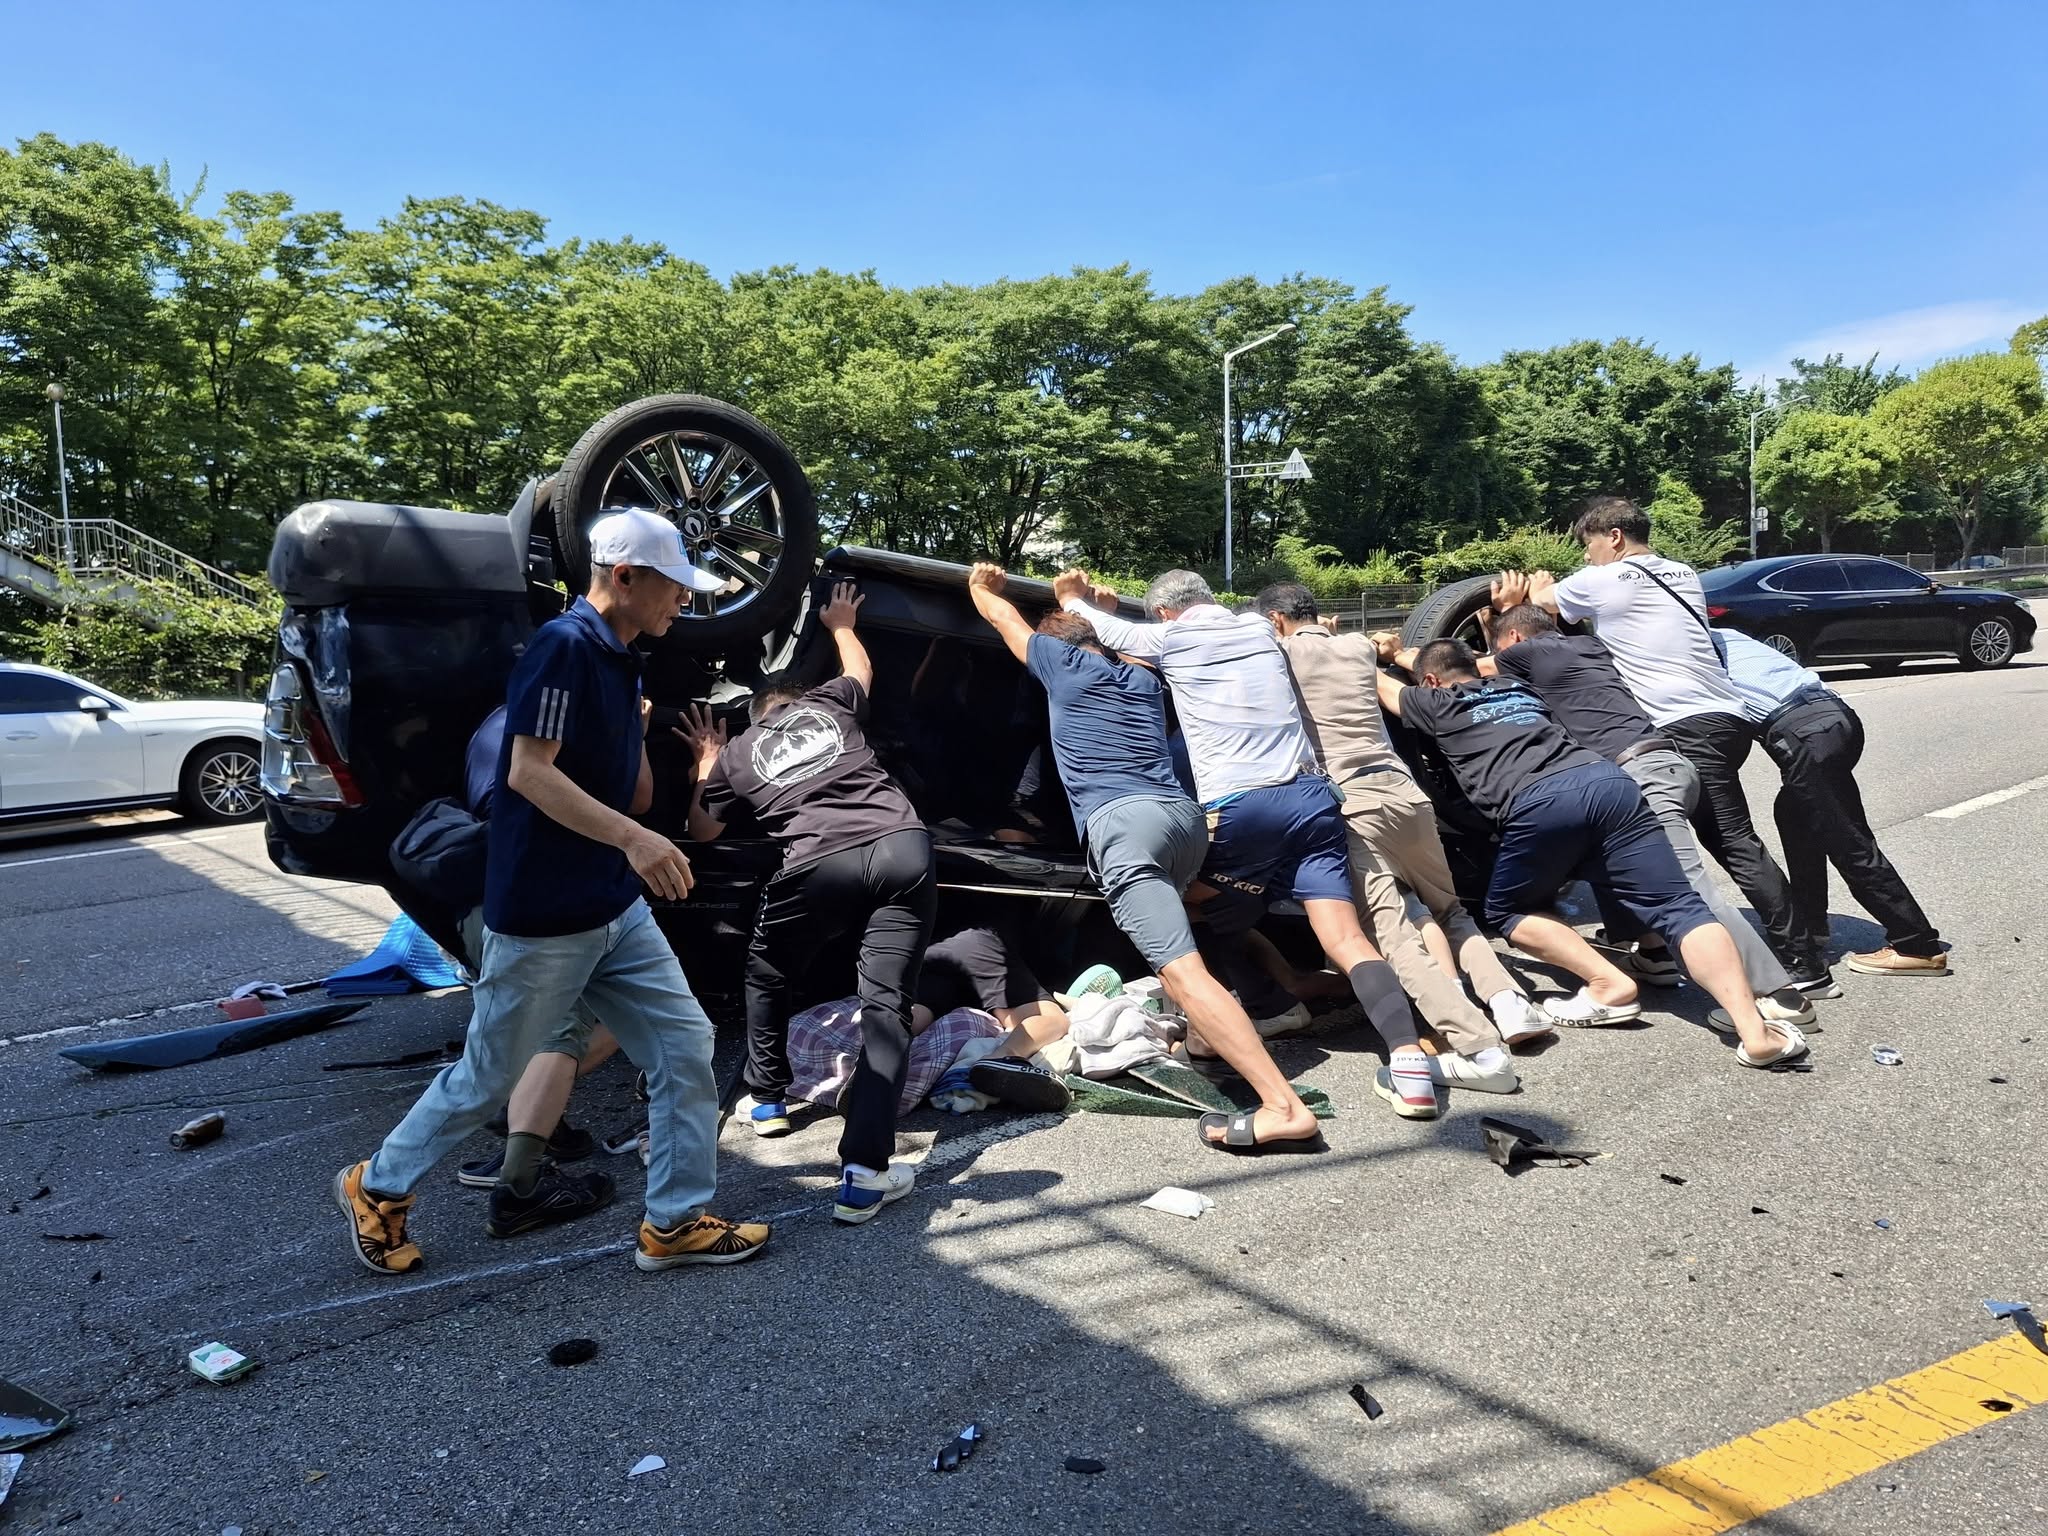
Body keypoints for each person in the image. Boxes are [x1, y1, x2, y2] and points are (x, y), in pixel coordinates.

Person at [335, 507, 770, 1276]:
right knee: (487, 1076)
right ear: (625, 576)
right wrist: (638, 843)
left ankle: (672, 1222)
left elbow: (633, 797)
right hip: (542, 917)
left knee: (684, 1046)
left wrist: (634, 744)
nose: (686, 603)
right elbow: (528, 773)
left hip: (612, 906)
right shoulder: (562, 647)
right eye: (675, 587)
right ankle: (378, 1184)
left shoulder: (623, 658)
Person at [1053, 566, 1447, 1122]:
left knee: (1191, 906)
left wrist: (1076, 599)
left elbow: (1099, 631)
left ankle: (1226, 1029)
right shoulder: (1260, 630)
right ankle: (1408, 1065)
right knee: (1345, 936)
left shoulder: (1171, 636)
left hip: (1245, 808)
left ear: (1165, 612)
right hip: (1313, 797)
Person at [964, 563, 1327, 1148]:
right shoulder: (1140, 677)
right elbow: (1127, 644)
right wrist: (1097, 608)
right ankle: (1212, 1041)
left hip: (1124, 827)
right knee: (1194, 921)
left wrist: (983, 588)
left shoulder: (1061, 662)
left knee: (1181, 973)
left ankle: (1281, 1105)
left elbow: (1004, 618)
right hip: (1184, 821)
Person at [1375, 639, 1807, 1068]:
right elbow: (1453, 667)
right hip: (1609, 783)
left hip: (1537, 802)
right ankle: (1755, 1031)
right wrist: (1407, 653)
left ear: (1431, 682)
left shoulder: (1435, 703)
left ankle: (1608, 986)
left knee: (1507, 911)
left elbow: (1377, 686)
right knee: (1681, 907)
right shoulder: (1517, 687)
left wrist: (1372, 650)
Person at [681, 580, 936, 1224]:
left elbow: (703, 832)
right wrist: (842, 623)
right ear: (796, 704)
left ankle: (766, 1098)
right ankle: (864, 1176)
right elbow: (861, 670)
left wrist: (706, 763)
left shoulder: (738, 753)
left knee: (767, 970)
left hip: (818, 864)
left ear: (756, 714)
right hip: (903, 846)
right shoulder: (830, 704)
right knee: (887, 1009)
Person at [1256, 581, 1550, 1095]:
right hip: (1404, 793)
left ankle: (1477, 1044)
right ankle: (1508, 1002)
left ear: (1275, 620)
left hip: (1351, 803)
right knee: (1450, 911)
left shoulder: (1275, 652)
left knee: (1390, 933)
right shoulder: (1356, 647)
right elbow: (1384, 646)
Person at [1473, 600, 1814, 1031]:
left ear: (1515, 639)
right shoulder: (1590, 647)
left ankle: (1777, 995)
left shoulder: (1526, 653)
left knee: (1684, 893)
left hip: (1640, 774)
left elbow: (1467, 673)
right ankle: (1654, 955)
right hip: (1669, 763)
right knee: (1606, 854)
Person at [1523, 497, 1820, 992]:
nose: (1587, 556)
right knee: (1647, 829)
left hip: (1681, 724)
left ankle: (1799, 963)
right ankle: (1647, 940)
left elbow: (1544, 607)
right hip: (1727, 717)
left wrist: (1534, 589)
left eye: (1588, 546)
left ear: (1613, 537)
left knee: (1728, 845)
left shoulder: (1605, 578)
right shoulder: (1681, 572)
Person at [452, 704, 621, 1229]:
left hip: (483, 898)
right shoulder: (567, 728)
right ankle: (518, 1179)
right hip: (542, 895)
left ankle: (531, 1122)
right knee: (573, 1029)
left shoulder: (490, 726)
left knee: (517, 1028)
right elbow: (631, 800)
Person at [1715, 625, 1949, 979]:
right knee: (1794, 815)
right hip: (1836, 716)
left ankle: (1917, 945)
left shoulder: (1694, 652)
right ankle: (1811, 926)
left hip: (1802, 732)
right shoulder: (1727, 635)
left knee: (1847, 841)